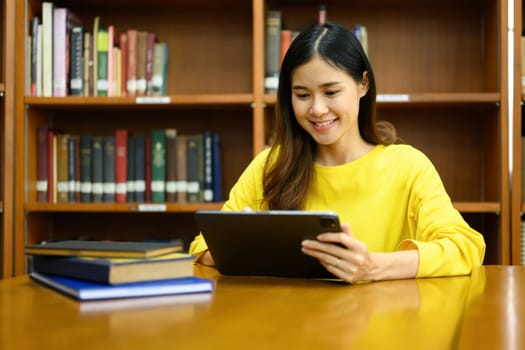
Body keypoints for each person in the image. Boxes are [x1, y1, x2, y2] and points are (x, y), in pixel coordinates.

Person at [189, 21, 485, 283]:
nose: (317, 109)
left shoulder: (408, 166)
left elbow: (466, 248)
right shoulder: (271, 163)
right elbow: (203, 245)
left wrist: (375, 267)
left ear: (363, 85)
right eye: (302, 95)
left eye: (331, 92)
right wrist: (242, 249)